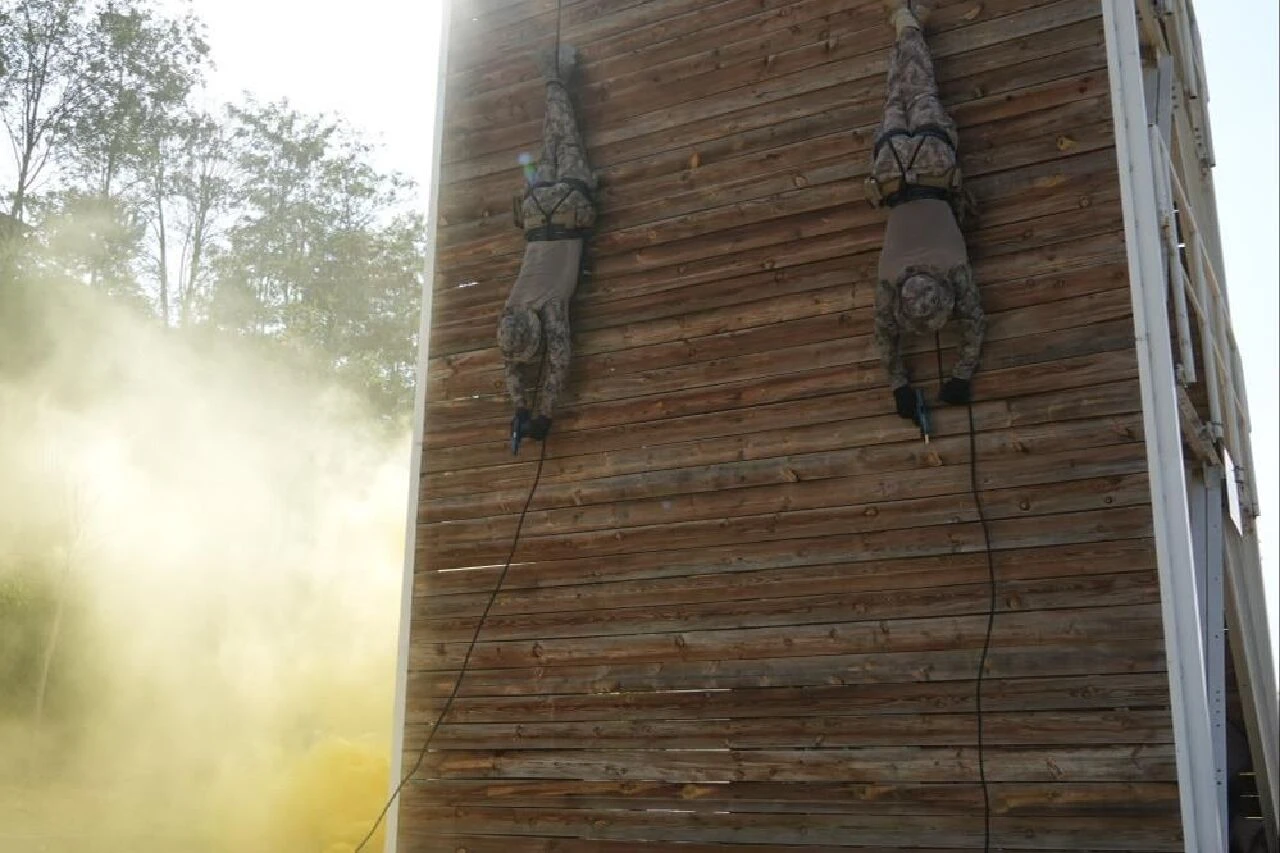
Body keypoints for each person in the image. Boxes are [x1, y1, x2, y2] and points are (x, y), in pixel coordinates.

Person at [867, 0, 985, 425]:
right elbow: (885, 337)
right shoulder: (889, 278)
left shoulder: (954, 266)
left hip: (932, 164)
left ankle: (907, 28)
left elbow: (973, 322)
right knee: (897, 96)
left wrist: (957, 375)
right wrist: (902, 383)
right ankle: (904, 29)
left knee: (920, 91)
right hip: (891, 169)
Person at [497, 44, 597, 452]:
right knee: (551, 140)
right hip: (538, 210)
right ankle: (553, 77)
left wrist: (539, 417)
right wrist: (520, 408)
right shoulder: (512, 309)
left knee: (566, 137)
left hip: (570, 205)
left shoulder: (550, 308)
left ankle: (556, 73)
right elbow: (511, 367)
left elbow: (558, 363)